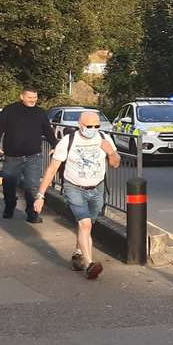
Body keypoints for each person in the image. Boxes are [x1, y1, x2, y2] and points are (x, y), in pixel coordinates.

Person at [33, 110, 119, 279]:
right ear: (80, 125)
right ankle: (89, 265)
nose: (93, 129)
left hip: (97, 188)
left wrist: (111, 152)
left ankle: (78, 253)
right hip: (74, 188)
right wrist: (40, 195)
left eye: (96, 126)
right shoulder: (68, 141)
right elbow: (51, 170)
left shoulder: (104, 138)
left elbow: (115, 164)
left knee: (86, 225)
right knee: (85, 224)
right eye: (89, 126)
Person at [0, 87, 55, 223]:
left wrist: (55, 145)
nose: (33, 100)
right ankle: (9, 206)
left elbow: (47, 130)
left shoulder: (40, 112)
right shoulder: (10, 110)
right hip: (12, 157)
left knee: (31, 186)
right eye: (29, 97)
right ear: (22, 96)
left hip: (34, 156)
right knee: (9, 185)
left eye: (35, 97)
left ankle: (32, 214)